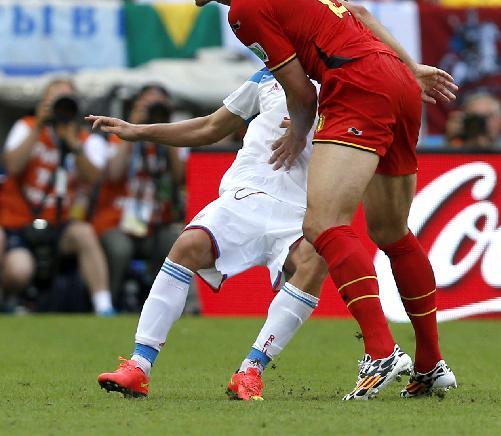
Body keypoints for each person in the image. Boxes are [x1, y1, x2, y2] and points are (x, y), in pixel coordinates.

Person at [161, 0, 459, 400]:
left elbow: (301, 96)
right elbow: (357, 10)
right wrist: (411, 68)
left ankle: (381, 352)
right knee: (391, 233)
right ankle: (430, 363)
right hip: (395, 81)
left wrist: (299, 132)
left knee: (323, 225)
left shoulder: (243, 10)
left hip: (358, 84)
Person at [89, 68, 328, 400]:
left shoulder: (344, 79)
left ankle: (251, 371)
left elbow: (364, 136)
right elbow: (211, 126)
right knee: (189, 245)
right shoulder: (267, 76)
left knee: (314, 262)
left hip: (299, 209)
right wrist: (140, 130)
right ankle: (138, 366)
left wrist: (315, 127)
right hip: (247, 194)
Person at [0, 78, 113, 315]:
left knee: (84, 233)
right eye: (54, 101)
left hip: (59, 224)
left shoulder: (85, 139)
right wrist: (39, 126)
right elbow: (12, 165)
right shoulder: (26, 125)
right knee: (19, 270)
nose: (59, 108)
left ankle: (104, 306)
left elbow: (93, 177)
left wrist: (71, 141)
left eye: (65, 101)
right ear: (43, 103)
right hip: (17, 221)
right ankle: (9, 300)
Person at [90, 85, 184, 310]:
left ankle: (163, 307)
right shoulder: (115, 137)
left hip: (157, 223)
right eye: (147, 106)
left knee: (174, 241)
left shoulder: (172, 141)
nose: (153, 111)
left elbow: (180, 178)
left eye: (158, 106)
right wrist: (132, 128)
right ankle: (109, 303)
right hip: (117, 223)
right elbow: (114, 173)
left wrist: (166, 129)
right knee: (120, 248)